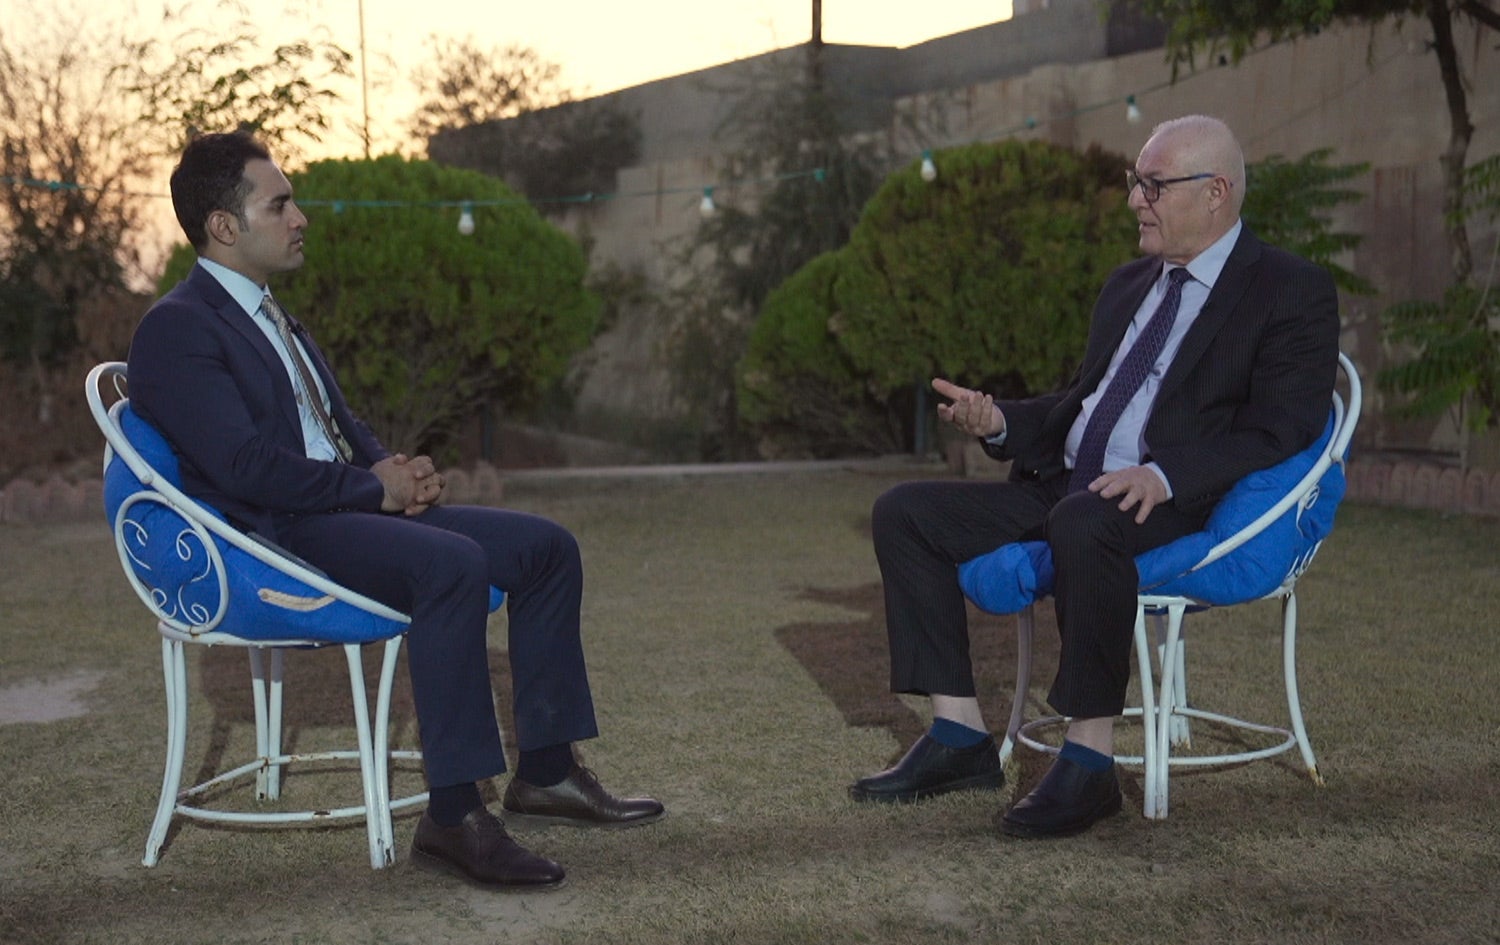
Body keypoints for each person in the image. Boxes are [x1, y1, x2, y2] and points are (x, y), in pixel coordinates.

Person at [128, 131, 663, 890]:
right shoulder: (178, 326)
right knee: (452, 564)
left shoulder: (271, 313)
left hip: (344, 512)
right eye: (279, 205)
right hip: (281, 537)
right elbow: (245, 469)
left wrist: (396, 474)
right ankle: (454, 817)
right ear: (223, 225)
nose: (300, 218)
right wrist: (371, 490)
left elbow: (339, 426)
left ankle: (546, 773)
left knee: (546, 549)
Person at [849, 115, 1340, 838]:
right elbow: (1080, 402)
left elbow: (1284, 425)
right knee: (905, 512)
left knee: (1084, 519)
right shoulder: (1128, 285)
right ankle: (958, 737)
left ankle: (1089, 761)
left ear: (1216, 192)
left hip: (1172, 501)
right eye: (1134, 182)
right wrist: (1001, 422)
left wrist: (1164, 475)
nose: (1134, 200)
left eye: (1153, 185)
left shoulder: (1288, 288)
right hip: (1072, 485)